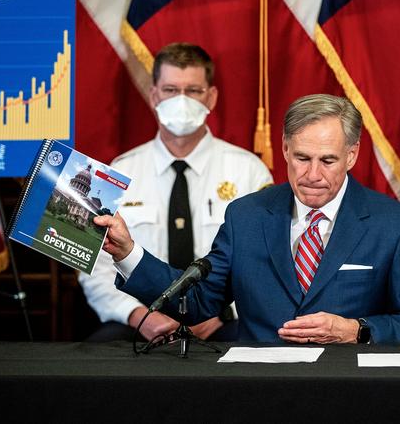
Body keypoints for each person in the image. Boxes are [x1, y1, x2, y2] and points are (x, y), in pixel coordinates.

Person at [98, 94, 400, 344]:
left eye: (328, 161)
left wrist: (356, 330)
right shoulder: (246, 216)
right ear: (285, 149)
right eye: (302, 158)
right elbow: (198, 303)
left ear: (352, 155)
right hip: (258, 392)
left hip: (348, 390)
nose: (313, 174)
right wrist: (128, 253)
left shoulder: (395, 224)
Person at [78, 43, 272, 342]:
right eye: (170, 90)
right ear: (154, 95)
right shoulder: (120, 172)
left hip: (222, 322)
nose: (181, 101)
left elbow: (265, 263)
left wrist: (218, 314)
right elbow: (95, 266)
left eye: (193, 91)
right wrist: (138, 315)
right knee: (99, 351)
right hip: (142, 319)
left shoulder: (248, 172)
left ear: (211, 97)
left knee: (255, 349)